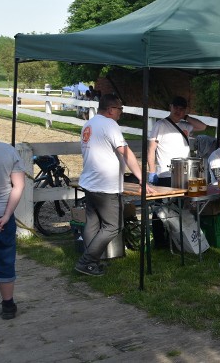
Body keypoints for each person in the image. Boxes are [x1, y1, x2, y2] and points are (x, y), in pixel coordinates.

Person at [75, 94, 153, 276]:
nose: (121, 113)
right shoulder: (110, 125)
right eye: (120, 109)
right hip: (106, 186)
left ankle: (91, 262)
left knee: (92, 224)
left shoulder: (89, 124)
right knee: (113, 226)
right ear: (110, 109)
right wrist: (142, 178)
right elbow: (126, 152)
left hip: (90, 182)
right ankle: (86, 261)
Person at [0, 109, 25, 319]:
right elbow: (18, 187)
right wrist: (6, 215)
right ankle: (8, 305)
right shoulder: (8, 151)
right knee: (5, 261)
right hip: (3, 220)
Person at [147, 96, 207, 187]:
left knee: (183, 201)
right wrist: (152, 171)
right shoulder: (160, 124)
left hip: (185, 172)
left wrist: (186, 117)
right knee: (165, 201)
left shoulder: (185, 125)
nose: (178, 111)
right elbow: (151, 149)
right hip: (166, 173)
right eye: (175, 107)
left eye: (181, 109)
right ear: (170, 107)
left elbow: (203, 126)